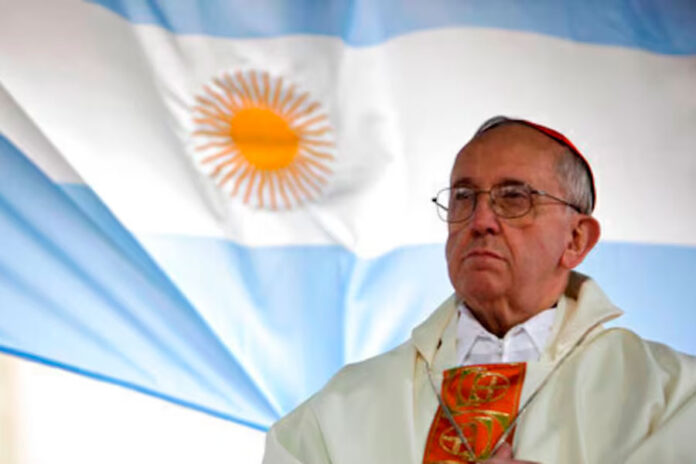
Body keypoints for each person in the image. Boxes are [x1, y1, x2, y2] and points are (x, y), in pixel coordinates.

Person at [262, 116, 696, 463]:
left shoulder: (673, 397)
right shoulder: (341, 411)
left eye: (514, 198)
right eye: (464, 197)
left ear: (576, 240)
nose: (480, 220)